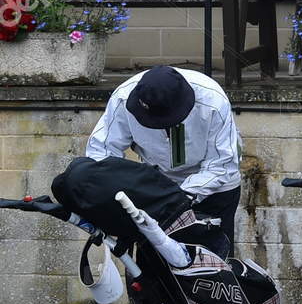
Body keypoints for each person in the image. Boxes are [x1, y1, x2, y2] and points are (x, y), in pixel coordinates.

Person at [86, 65, 243, 255]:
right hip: (158, 188)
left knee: (214, 264)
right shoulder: (122, 98)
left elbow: (222, 163)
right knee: (152, 267)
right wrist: (120, 191)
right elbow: (101, 151)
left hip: (215, 187)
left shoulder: (213, 100)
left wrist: (179, 198)